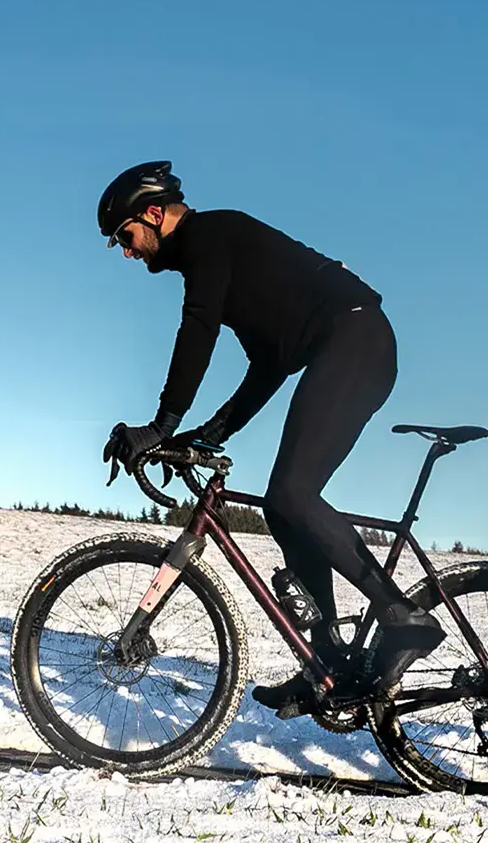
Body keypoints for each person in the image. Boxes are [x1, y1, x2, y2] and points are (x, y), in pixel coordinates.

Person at [99, 160, 444, 716]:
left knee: (292, 494)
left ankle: (403, 616)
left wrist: (162, 424)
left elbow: (198, 329)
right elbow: (269, 364)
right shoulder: (222, 259)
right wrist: (207, 435)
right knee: (284, 509)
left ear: (155, 214)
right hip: (347, 344)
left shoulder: (209, 236)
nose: (125, 251)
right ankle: (327, 662)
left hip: (357, 340)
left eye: (124, 235)